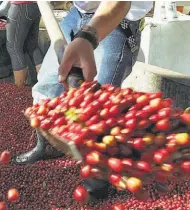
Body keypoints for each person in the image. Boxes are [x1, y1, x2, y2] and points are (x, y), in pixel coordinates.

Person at [13, 1, 153, 198]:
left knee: (100, 106)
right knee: (47, 86)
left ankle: (99, 181)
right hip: (77, 15)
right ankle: (47, 146)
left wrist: (87, 36)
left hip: (119, 20)